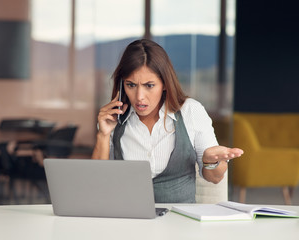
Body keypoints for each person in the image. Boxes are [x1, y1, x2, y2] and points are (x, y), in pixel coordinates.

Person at [91, 39, 243, 203]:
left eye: (149, 85)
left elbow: (214, 178)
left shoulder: (191, 111)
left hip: (179, 221)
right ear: (122, 85)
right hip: (129, 220)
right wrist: (103, 135)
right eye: (131, 85)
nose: (140, 96)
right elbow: (96, 183)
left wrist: (210, 161)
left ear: (164, 83)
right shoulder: (113, 119)